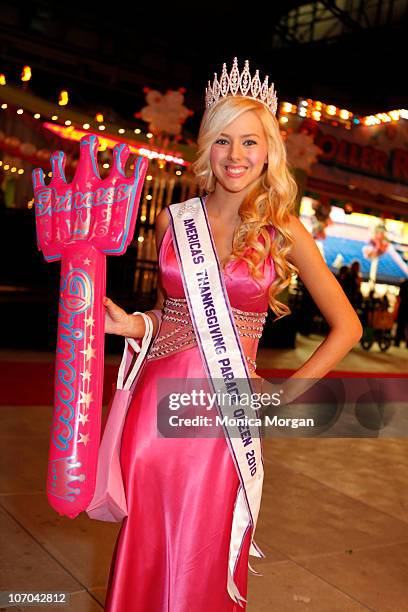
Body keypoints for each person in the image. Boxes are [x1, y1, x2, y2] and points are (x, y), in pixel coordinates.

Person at [102, 58, 363, 611]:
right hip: (155, 409)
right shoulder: (175, 220)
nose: (236, 155)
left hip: (224, 417)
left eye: (250, 141)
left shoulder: (281, 227)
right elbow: (171, 313)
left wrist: (286, 394)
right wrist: (134, 325)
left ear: (269, 149)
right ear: (206, 147)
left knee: (203, 545)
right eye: (223, 140)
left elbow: (348, 326)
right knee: (148, 541)